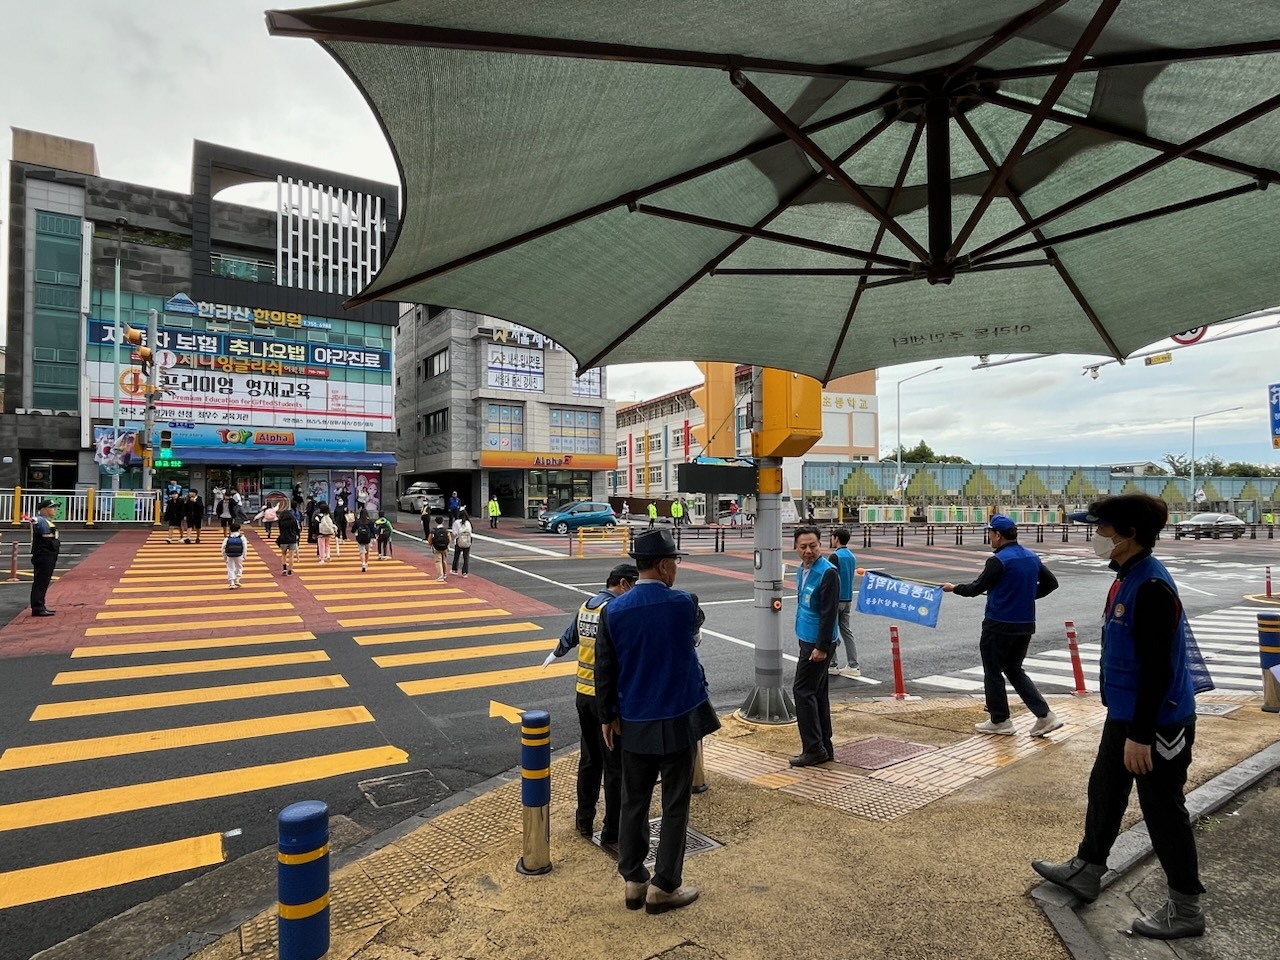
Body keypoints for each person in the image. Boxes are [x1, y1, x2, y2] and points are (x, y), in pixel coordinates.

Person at [1033, 494, 1210, 939]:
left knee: (1162, 810)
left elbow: (1158, 669)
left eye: (1103, 527)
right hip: (1127, 715)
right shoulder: (1128, 575)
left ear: (1128, 534)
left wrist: (1141, 735)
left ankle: (1185, 908)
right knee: (1106, 789)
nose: (1096, 534)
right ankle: (1087, 867)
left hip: (1156, 724)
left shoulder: (1150, 586)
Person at [595, 528, 719, 914]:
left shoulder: (612, 611)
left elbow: (605, 668)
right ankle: (664, 886)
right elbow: (695, 619)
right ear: (665, 565)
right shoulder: (682, 603)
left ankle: (634, 880)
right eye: (675, 563)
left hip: (633, 720)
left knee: (634, 801)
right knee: (675, 804)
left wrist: (607, 717)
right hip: (680, 719)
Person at [942, 515, 1062, 737]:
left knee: (993, 671)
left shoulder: (998, 561)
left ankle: (1000, 720)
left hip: (999, 624)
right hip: (1025, 624)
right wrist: (1024, 597)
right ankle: (1045, 716)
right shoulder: (1031, 556)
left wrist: (953, 588)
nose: (989, 538)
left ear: (998, 534)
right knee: (1014, 669)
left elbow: (976, 588)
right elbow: (1051, 583)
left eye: (990, 533)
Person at [544, 562, 638, 847]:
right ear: (623, 584)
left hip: (582, 696)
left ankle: (584, 820)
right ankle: (612, 828)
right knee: (614, 765)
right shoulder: (615, 611)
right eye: (633, 586)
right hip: (605, 698)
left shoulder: (587, 606)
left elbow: (570, 636)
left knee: (589, 760)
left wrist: (555, 652)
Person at [790, 524, 839, 767]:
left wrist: (821, 647)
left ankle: (813, 749)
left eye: (813, 545)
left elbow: (829, 613)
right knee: (817, 693)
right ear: (796, 548)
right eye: (803, 546)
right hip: (806, 638)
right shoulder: (802, 569)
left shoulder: (827, 572)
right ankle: (824, 746)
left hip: (818, 644)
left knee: (802, 691)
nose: (808, 551)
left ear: (821, 545)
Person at [826, 526, 861, 679]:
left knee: (831, 631)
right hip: (848, 598)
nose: (831, 540)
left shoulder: (835, 556)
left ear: (837, 539)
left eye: (832, 537)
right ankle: (853, 665)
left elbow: (829, 579)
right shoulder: (851, 556)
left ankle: (833, 665)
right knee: (847, 631)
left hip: (835, 599)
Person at [29, 498, 60, 617]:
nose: (54, 510)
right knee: (40, 582)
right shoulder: (40, 520)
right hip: (43, 555)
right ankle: (38, 607)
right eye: (52, 507)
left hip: (49, 554)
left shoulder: (47, 521)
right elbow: (35, 521)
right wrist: (32, 519)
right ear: (44, 509)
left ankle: (41, 605)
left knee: (43, 582)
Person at [276, 499, 301, 576]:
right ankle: (290, 570)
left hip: (283, 539)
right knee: (291, 556)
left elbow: (280, 530)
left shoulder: (280, 522)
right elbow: (298, 530)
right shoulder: (294, 521)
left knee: (283, 554)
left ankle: (284, 568)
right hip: (292, 539)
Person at [221, 521, 246, 589]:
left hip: (229, 555)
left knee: (230, 568)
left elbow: (223, 548)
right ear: (239, 529)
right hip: (239, 554)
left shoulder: (227, 538)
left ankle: (232, 582)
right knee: (239, 567)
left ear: (230, 530)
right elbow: (244, 547)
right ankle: (237, 579)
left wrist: (224, 556)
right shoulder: (242, 538)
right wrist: (244, 555)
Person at [451, 508, 474, 577]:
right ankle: (465, 572)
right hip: (467, 540)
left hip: (459, 540)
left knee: (456, 556)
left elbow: (454, 533)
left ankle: (454, 569)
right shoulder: (468, 522)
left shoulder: (456, 522)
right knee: (466, 557)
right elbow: (470, 531)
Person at [352, 508, 375, 572]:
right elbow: (373, 530)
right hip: (368, 538)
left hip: (360, 539)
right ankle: (366, 563)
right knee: (367, 552)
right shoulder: (370, 521)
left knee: (361, 552)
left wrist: (356, 533)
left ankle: (363, 563)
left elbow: (352, 530)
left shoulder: (358, 522)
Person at [429, 514, 451, 580]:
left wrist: (431, 545)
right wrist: (448, 545)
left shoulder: (434, 531)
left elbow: (430, 539)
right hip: (445, 548)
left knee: (438, 561)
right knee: (444, 560)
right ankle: (444, 574)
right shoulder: (446, 530)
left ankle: (440, 575)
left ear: (435, 522)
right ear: (443, 522)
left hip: (436, 548)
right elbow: (449, 538)